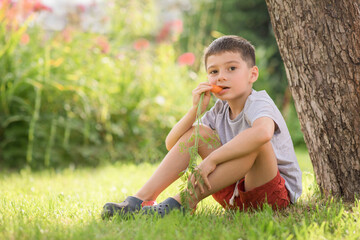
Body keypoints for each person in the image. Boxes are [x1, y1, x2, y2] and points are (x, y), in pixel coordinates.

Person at [102, 35, 302, 218]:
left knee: (255, 141)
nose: (221, 77)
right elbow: (173, 144)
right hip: (231, 194)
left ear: (252, 74)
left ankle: (180, 204)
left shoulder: (259, 102)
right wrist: (195, 111)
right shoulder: (219, 111)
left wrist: (211, 160)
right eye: (213, 71)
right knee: (199, 133)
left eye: (231, 68)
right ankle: (140, 199)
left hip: (271, 195)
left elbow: (262, 133)